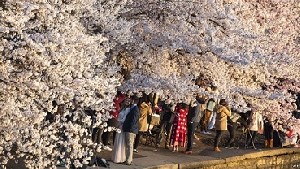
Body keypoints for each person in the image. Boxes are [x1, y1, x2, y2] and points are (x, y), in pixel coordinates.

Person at [111, 97, 131, 163]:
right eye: (126, 100)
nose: (126, 102)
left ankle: (120, 158)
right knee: (117, 140)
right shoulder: (122, 108)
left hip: (122, 126)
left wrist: (119, 122)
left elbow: (125, 118)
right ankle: (116, 157)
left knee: (120, 141)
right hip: (119, 125)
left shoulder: (128, 109)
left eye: (128, 101)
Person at [122, 96, 140, 165]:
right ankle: (128, 159)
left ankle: (129, 160)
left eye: (131, 100)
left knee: (129, 144)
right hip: (129, 128)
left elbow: (134, 120)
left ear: (133, 101)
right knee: (128, 144)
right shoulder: (132, 108)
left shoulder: (135, 109)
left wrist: (129, 127)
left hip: (131, 129)